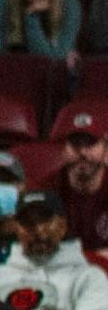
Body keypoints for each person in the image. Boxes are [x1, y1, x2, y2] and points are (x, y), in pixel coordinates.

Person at [52, 107, 108, 252]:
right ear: (63, 150)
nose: (83, 152)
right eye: (75, 144)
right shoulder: (48, 189)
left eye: (90, 144)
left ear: (106, 150)